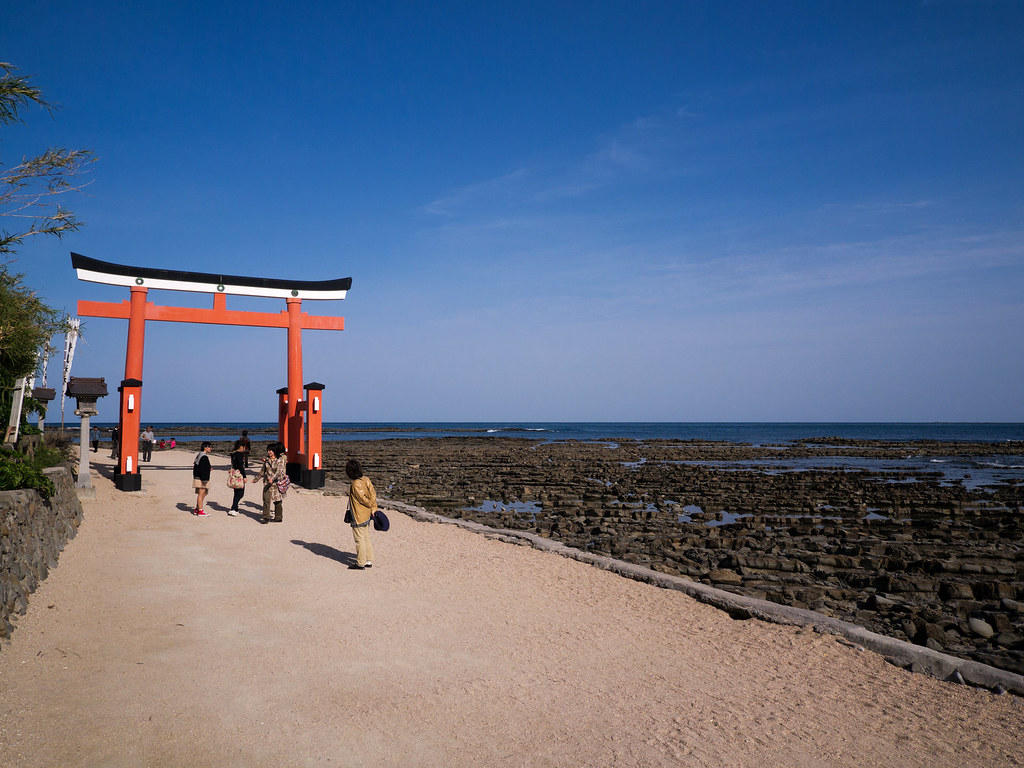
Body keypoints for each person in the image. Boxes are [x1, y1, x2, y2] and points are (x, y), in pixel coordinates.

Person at [345, 459, 377, 570]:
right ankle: (368, 559)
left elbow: (363, 499)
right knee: (366, 537)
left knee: (359, 539)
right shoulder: (366, 479)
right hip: (367, 514)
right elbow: (372, 493)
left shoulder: (355, 484)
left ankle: (360, 562)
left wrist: (369, 503)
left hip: (358, 515)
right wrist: (373, 506)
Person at [251, 441, 286, 524]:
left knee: (277, 501)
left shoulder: (280, 460)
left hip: (277, 483)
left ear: (275, 451)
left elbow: (279, 471)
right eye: (268, 450)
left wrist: (272, 479)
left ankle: (278, 517)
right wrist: (256, 479)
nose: (269, 452)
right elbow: (262, 470)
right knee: (266, 499)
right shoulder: (267, 460)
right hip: (267, 483)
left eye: (270, 450)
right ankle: (266, 517)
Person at [191, 441, 213, 517]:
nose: (211, 448)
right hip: (201, 478)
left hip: (199, 477)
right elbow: (202, 469)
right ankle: (200, 510)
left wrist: (208, 468)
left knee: (204, 493)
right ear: (205, 448)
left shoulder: (200, 455)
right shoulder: (203, 457)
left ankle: (197, 508)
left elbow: (198, 466)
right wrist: (204, 479)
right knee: (201, 493)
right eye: (209, 447)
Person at [227, 440, 247, 516]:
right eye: (244, 447)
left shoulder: (233, 454)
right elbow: (240, 466)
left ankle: (235, 507)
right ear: (241, 447)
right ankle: (233, 508)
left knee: (236, 492)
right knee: (240, 493)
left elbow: (233, 464)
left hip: (234, 472)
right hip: (239, 474)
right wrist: (244, 476)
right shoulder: (239, 454)